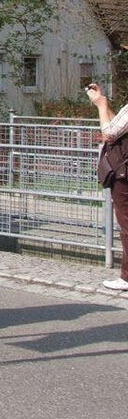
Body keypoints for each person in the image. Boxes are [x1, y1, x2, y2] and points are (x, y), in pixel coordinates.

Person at [85, 82, 128, 291]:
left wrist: (102, 106)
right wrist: (102, 103)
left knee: (127, 226)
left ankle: (127, 278)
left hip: (125, 175)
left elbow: (110, 133)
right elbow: (119, 127)